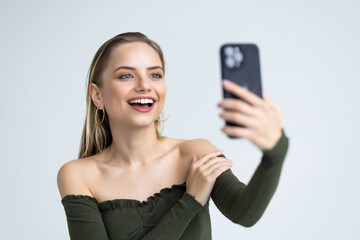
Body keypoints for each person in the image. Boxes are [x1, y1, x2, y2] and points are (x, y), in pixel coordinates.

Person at [57, 32, 289, 240]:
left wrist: (275, 152)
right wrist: (190, 202)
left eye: (155, 75)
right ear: (97, 95)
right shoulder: (79, 175)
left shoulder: (195, 153)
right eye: (126, 76)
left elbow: (245, 214)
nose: (145, 86)